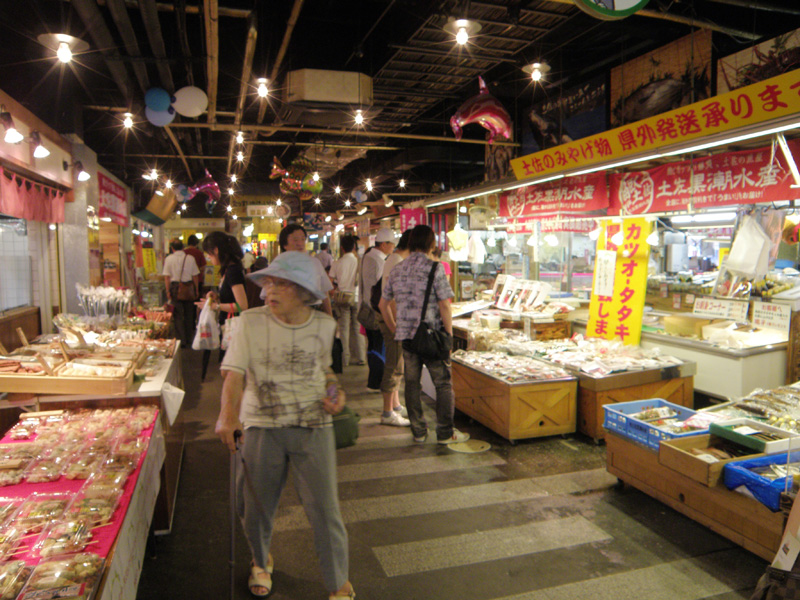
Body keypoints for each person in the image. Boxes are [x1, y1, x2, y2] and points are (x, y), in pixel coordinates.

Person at [216, 251, 355, 600]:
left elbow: (325, 370)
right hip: (261, 424)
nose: (270, 290)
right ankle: (261, 560)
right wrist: (227, 415)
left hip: (313, 425)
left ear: (305, 291)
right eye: (269, 282)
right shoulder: (250, 321)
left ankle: (338, 581)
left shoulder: (324, 325)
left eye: (282, 284)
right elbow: (233, 373)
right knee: (254, 506)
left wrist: (335, 394)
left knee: (325, 510)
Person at [380, 224, 469, 445]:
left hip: (407, 338)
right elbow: (445, 305)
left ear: (410, 243)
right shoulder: (435, 268)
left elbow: (383, 305)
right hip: (432, 336)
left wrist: (394, 328)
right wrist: (448, 336)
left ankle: (418, 432)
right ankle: (445, 433)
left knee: (412, 384)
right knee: (443, 384)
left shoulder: (397, 269)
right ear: (431, 244)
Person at [197, 232, 249, 377]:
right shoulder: (228, 270)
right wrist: (217, 297)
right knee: (228, 370)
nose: (209, 257)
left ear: (216, 250)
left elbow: (242, 305)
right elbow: (231, 296)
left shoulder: (233, 271)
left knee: (230, 372)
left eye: (209, 254)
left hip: (234, 328)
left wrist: (216, 306)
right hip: (228, 326)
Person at [377, 230, 411, 427]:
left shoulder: (394, 259)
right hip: (393, 320)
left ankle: (395, 406)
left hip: (392, 319)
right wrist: (396, 326)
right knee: (394, 366)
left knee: (397, 364)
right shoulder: (397, 261)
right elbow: (391, 298)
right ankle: (387, 412)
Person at [359, 228, 396, 390]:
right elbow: (384, 288)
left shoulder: (367, 257)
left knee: (373, 345)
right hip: (377, 310)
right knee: (379, 346)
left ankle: (373, 381)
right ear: (384, 244)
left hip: (367, 308)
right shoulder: (379, 261)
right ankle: (376, 382)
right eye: (392, 244)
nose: (393, 248)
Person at [277, 223, 334, 317]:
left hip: (314, 313)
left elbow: (324, 293)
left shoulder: (315, 263)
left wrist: (330, 318)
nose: (300, 243)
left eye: (303, 239)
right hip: (289, 315)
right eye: (295, 240)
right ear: (284, 245)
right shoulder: (278, 266)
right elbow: (269, 297)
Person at [329, 235, 366, 368]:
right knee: (357, 328)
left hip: (343, 298)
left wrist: (334, 292)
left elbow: (330, 281)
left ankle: (345, 358)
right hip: (356, 298)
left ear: (342, 248)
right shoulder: (359, 262)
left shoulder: (337, 263)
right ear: (354, 247)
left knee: (344, 328)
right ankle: (361, 357)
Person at [162, 239, 201, 348]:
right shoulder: (190, 258)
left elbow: (167, 277)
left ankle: (181, 340)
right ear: (183, 247)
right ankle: (190, 339)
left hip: (175, 288)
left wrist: (168, 291)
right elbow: (195, 276)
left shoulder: (169, 259)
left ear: (172, 248)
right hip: (188, 287)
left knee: (178, 315)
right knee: (189, 314)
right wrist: (196, 289)